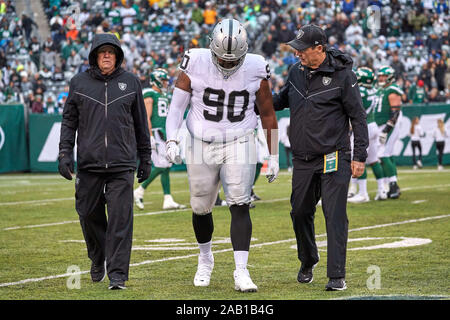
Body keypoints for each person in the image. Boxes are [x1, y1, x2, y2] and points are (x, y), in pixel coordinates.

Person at [164, 19, 279, 292]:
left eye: (233, 60)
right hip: (201, 141)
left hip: (240, 139)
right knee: (201, 207)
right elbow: (176, 107)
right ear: (211, 48)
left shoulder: (255, 67)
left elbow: (267, 113)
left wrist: (273, 155)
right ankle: (205, 259)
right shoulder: (195, 61)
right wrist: (171, 139)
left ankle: (241, 270)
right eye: (222, 59)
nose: (227, 64)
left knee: (239, 202)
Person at [272, 24, 368, 291]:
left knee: (334, 213)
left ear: (319, 49)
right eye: (296, 49)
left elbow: (358, 116)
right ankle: (308, 259)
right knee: (299, 211)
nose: (298, 54)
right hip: (302, 158)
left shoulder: (343, 76)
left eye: (302, 49)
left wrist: (359, 154)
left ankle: (336, 274)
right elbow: (280, 100)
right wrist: (256, 97)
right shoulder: (295, 72)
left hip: (334, 155)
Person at [58, 33, 152, 290]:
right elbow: (69, 121)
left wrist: (145, 157)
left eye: (111, 51)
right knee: (87, 214)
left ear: (118, 55)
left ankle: (118, 275)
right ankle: (97, 255)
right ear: (94, 56)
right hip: (89, 164)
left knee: (121, 220)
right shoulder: (78, 83)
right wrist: (65, 153)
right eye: (102, 51)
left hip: (122, 163)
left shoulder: (131, 82)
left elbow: (141, 123)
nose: (107, 55)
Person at [133, 68, 186, 211]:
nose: (165, 83)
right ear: (156, 80)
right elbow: (146, 117)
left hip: (165, 132)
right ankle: (139, 191)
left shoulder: (163, 95)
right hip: (156, 133)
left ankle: (167, 199)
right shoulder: (149, 94)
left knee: (166, 167)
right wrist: (149, 136)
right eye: (163, 80)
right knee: (163, 165)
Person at [348, 67, 387, 203]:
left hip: (364, 127)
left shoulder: (362, 91)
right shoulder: (374, 90)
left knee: (358, 158)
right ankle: (382, 190)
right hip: (373, 125)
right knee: (374, 160)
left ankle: (363, 193)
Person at [374, 65, 405, 199]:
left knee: (382, 154)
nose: (381, 78)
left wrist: (386, 129)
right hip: (380, 124)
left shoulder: (393, 89)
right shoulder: (381, 89)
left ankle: (392, 185)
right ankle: (392, 185)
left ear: (390, 77)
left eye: (383, 76)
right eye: (380, 76)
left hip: (390, 124)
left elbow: (395, 113)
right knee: (388, 154)